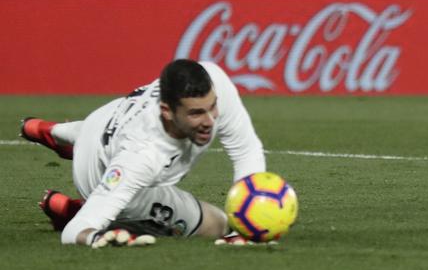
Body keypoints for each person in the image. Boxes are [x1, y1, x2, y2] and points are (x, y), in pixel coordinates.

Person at [20, 59, 267, 246]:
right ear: (167, 111)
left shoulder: (215, 81)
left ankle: (50, 131)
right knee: (216, 223)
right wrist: (96, 236)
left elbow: (246, 149)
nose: (209, 121)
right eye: (195, 113)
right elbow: (75, 231)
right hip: (99, 176)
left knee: (91, 134)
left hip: (101, 122)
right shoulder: (142, 157)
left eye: (211, 107)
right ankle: (71, 208)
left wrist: (246, 225)